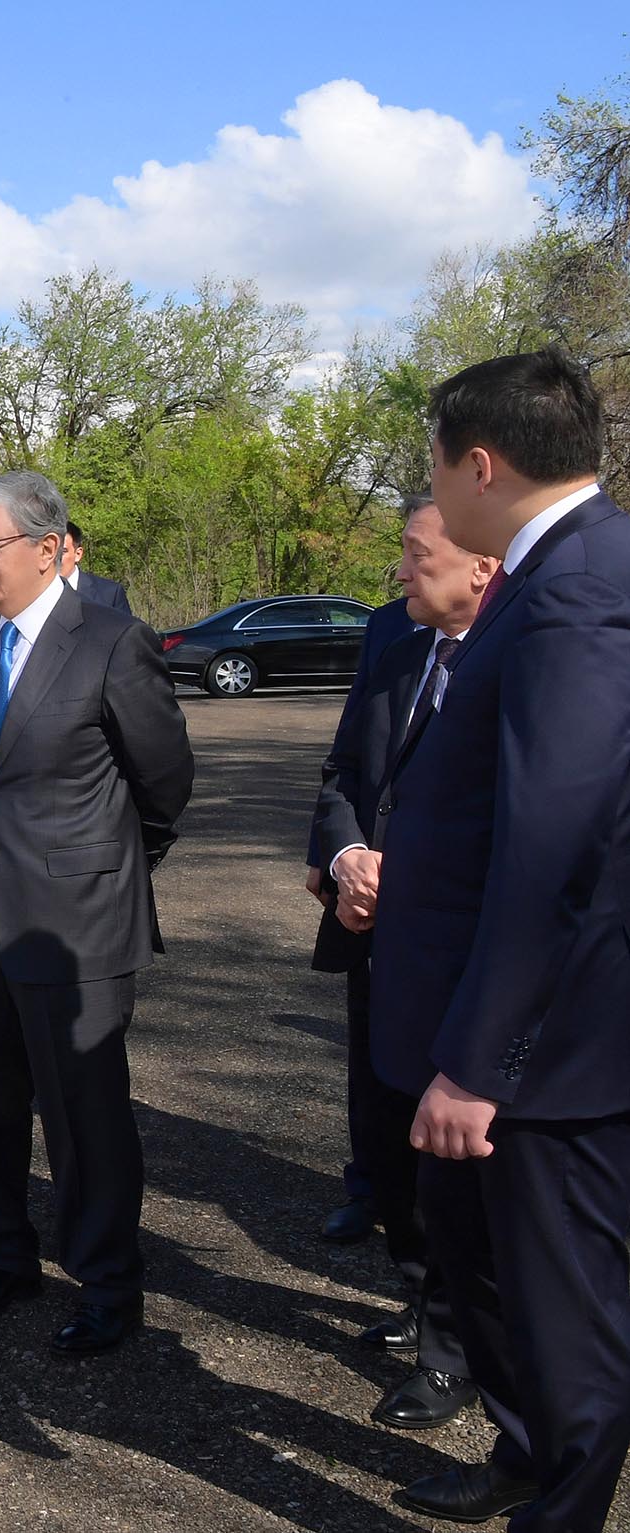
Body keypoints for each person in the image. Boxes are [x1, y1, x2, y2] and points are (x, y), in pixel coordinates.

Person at [366, 348, 630, 1529]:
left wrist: (480, 1061)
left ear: (479, 463)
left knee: (568, 1322)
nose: (429, 484)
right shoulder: (558, 568)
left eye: (432, 461)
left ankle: (560, 1503)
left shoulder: (577, 584)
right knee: (493, 1288)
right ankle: (523, 1456)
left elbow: (554, 841)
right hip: (496, 1019)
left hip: (547, 1050)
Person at [0, 470, 193, 1356]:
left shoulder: (113, 642)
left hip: (77, 920)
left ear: (49, 549)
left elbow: (164, 782)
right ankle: (4, 1258)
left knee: (84, 1116)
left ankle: (107, 1286)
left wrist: (112, 866)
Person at [306, 495, 492, 1432]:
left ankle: (458, 1353)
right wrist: (345, 860)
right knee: (386, 1148)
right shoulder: (397, 654)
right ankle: (422, 1299)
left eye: (417, 557)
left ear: (481, 571)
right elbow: (343, 776)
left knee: (452, 1163)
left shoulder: (516, 670)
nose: (400, 572)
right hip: (377, 950)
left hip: (464, 968)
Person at [309, 587, 425, 1248]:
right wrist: (331, 853)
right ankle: (369, 1186)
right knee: (370, 1059)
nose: (404, 572)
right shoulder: (388, 626)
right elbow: (350, 745)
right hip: (365, 891)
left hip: (437, 905)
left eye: (419, 552)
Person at [60, 521, 134, 615]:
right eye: (48, 550)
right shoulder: (37, 593)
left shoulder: (109, 595)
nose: (53, 558)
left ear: (78, 554)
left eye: (62, 551)